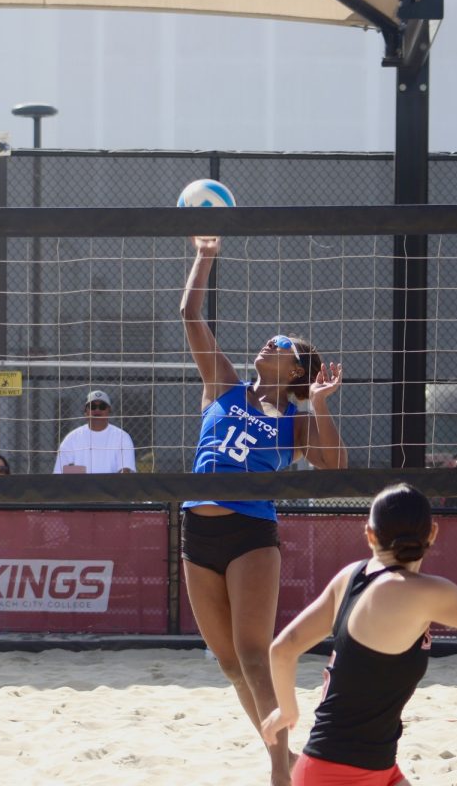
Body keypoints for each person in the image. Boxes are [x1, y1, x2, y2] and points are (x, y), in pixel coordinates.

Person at [179, 235, 348, 786]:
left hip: (251, 532)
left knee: (253, 657)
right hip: (196, 528)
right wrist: (205, 255)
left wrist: (319, 406)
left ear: (296, 370)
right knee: (228, 664)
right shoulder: (223, 384)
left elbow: (334, 468)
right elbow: (189, 313)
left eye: (280, 346)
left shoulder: (296, 420)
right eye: (269, 341)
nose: (267, 345)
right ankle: (289, 759)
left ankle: (281, 769)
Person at [260, 483, 457, 786]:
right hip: (338, 773)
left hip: (365, 766)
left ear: (370, 534)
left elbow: (283, 647)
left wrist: (286, 710)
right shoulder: (420, 591)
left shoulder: (351, 577)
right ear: (433, 534)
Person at [52, 390, 136, 474]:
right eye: (92, 407)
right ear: (86, 411)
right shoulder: (71, 438)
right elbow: (59, 472)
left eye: (102, 406)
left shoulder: (122, 437)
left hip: (112, 486)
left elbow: (125, 472)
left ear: (109, 411)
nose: (97, 410)